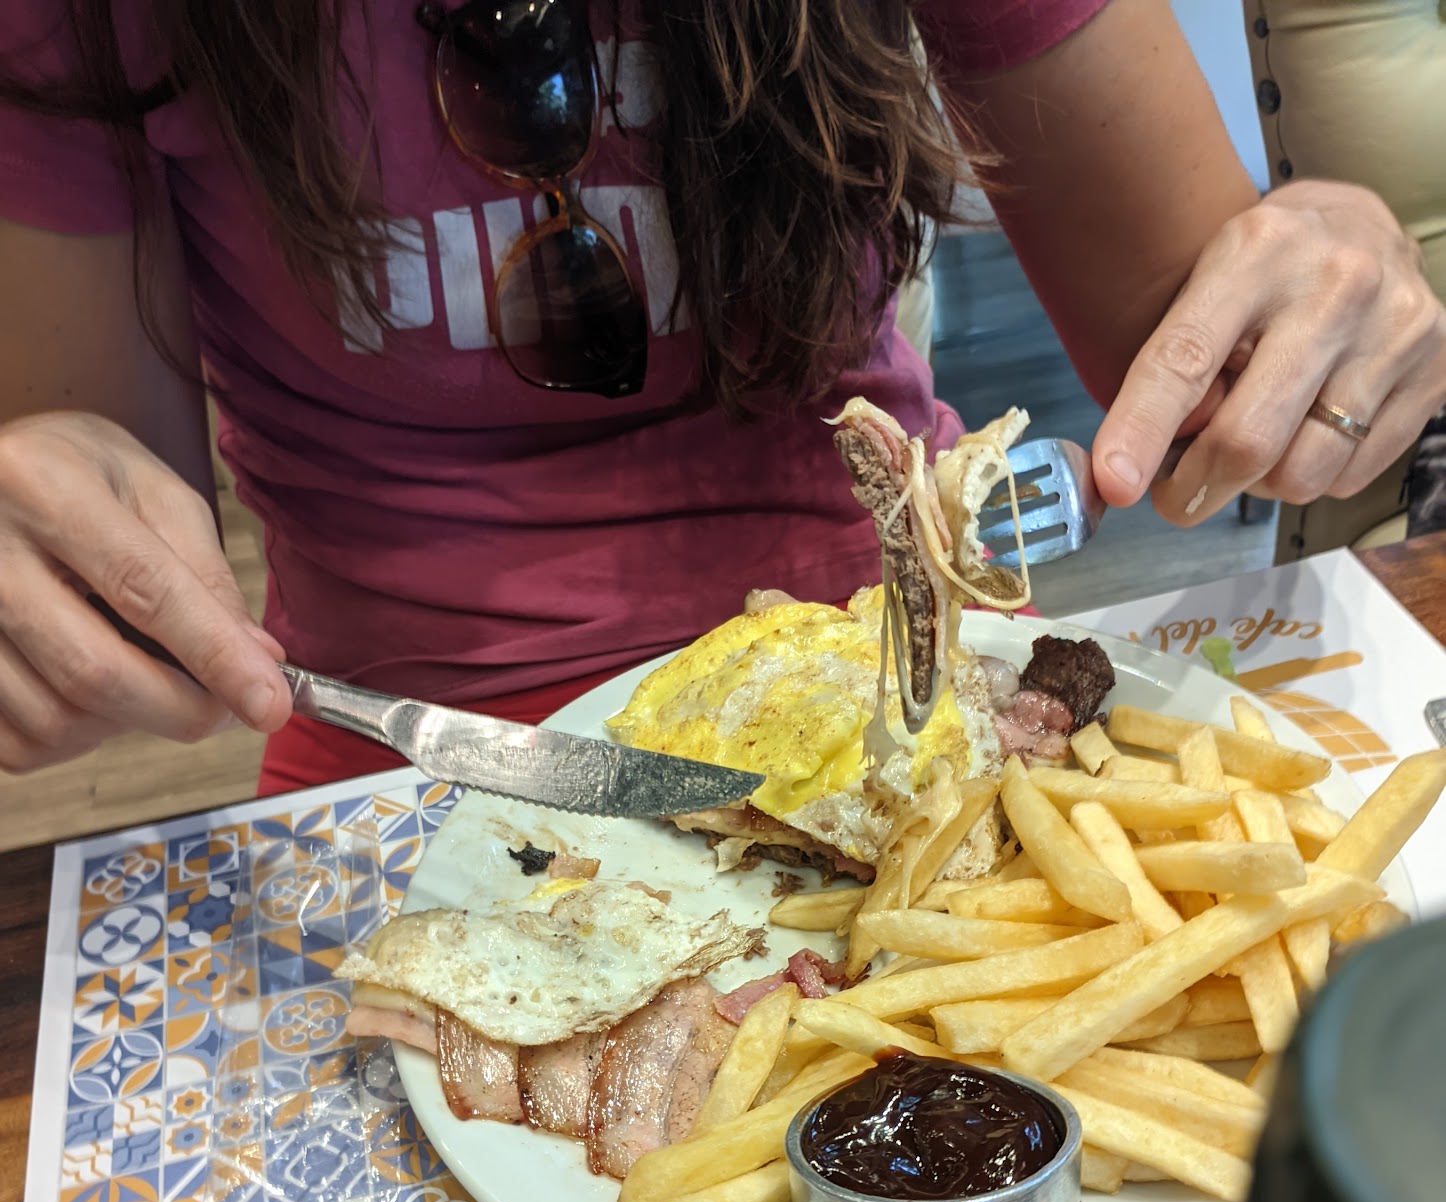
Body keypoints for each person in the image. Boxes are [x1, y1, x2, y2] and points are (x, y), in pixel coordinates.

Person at [1, 0, 1442, 793]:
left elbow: (1206, 391)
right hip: (414, 753)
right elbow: (112, 513)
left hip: (920, 695)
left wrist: (1327, 282)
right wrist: (54, 551)